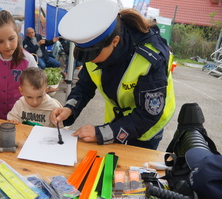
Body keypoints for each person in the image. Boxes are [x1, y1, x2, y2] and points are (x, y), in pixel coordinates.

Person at [51, 0, 175, 150]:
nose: (91, 60)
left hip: (147, 127)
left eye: (93, 54)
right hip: (117, 119)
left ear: (115, 41)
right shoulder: (95, 47)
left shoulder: (150, 58)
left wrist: (101, 133)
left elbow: (148, 115)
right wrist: (69, 108)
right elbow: (84, 86)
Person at [0, 10, 38, 120]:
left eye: (11, 39)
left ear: (17, 33)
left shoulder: (28, 60)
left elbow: (35, 89)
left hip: (21, 119)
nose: (7, 46)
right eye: (0, 41)